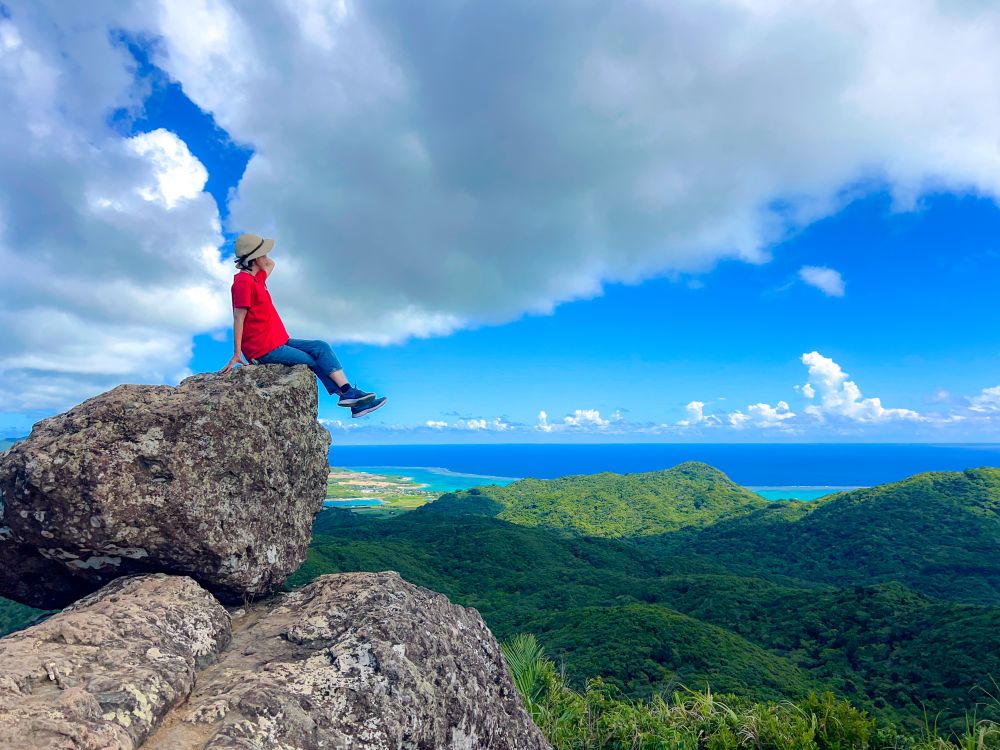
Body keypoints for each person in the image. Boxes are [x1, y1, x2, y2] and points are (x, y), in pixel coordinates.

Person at [220, 233, 388, 418]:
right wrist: (237, 353)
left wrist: (259, 256)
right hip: (263, 349)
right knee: (310, 359)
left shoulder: (256, 279)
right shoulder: (242, 283)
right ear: (254, 258)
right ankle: (348, 398)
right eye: (263, 253)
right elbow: (238, 318)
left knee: (321, 347)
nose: (267, 257)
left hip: (279, 340)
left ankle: (349, 394)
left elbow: (270, 264)